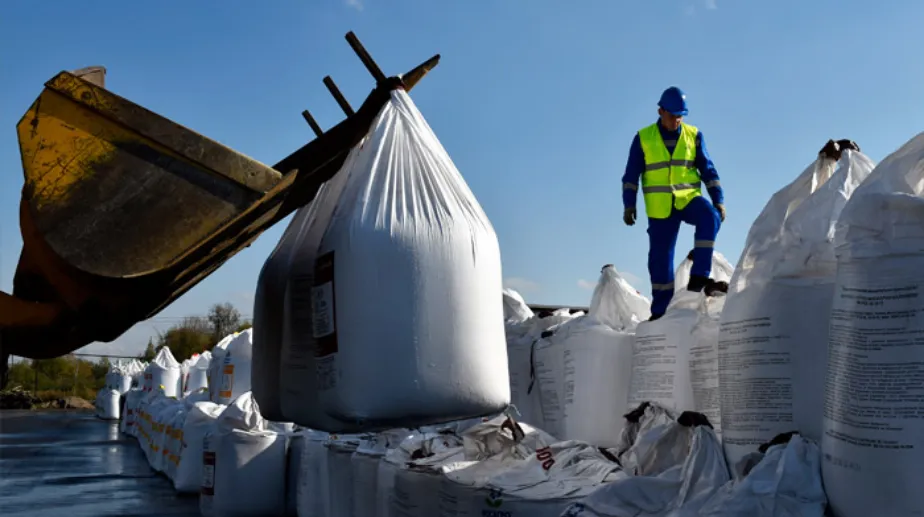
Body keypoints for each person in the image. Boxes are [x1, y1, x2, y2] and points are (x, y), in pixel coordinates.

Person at [622, 86, 727, 321]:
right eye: (672, 116)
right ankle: (661, 312)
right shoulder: (643, 138)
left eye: (681, 116)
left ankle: (699, 276)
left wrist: (718, 200)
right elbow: (630, 176)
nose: (676, 120)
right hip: (660, 208)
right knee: (660, 260)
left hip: (687, 199)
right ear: (660, 111)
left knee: (710, 217)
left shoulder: (694, 135)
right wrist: (629, 204)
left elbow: (709, 170)